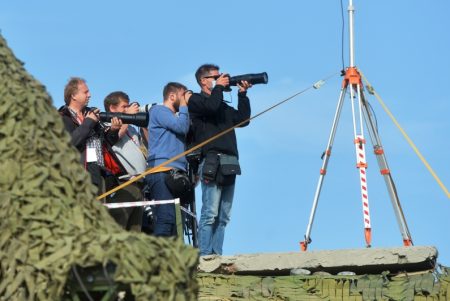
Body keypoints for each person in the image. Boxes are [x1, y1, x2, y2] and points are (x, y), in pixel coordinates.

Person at [188, 64, 252, 256]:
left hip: (229, 161)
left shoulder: (221, 104)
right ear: (203, 80)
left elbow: (243, 120)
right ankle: (205, 255)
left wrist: (242, 94)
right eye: (215, 77)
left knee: (224, 216)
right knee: (210, 213)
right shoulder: (196, 101)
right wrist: (218, 88)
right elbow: (210, 107)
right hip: (211, 160)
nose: (220, 79)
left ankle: (217, 253)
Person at [145, 82, 192, 237]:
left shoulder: (178, 117)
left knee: (176, 223)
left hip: (175, 171)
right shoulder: (159, 110)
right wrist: (184, 106)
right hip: (162, 170)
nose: (184, 99)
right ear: (172, 96)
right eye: (182, 96)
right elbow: (181, 128)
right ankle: (158, 258)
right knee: (165, 218)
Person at [58, 77, 121, 193]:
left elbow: (106, 144)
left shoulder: (92, 115)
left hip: (99, 172)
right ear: (73, 96)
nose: (90, 95)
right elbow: (70, 143)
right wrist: (88, 122)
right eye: (85, 92)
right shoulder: (62, 117)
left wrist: (113, 130)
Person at [103, 91, 148, 231]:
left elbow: (147, 147)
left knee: (135, 231)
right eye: (124, 106)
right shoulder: (106, 123)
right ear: (112, 108)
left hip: (140, 185)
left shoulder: (131, 128)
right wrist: (127, 117)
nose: (127, 109)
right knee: (119, 226)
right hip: (123, 183)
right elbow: (113, 137)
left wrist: (143, 122)